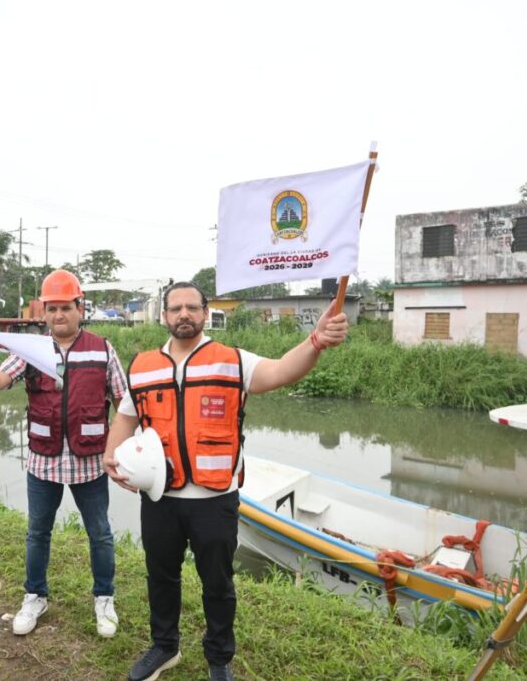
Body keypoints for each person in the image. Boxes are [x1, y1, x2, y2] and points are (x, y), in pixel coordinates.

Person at [103, 281, 349, 681]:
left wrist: (316, 341)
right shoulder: (143, 366)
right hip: (159, 497)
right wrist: (111, 456)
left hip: (214, 500)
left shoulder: (232, 360)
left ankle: (219, 658)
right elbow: (127, 417)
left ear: (204, 313)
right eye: (176, 308)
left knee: (217, 582)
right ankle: (165, 647)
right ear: (164, 316)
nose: (184, 314)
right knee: (161, 576)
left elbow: (282, 371)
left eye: (192, 307)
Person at [0, 269, 125, 638]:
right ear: (45, 312)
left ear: (79, 308)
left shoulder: (102, 349)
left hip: (89, 463)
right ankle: (35, 595)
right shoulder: (32, 350)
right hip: (43, 461)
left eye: (65, 308)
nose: (58, 316)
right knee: (38, 532)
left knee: (99, 533)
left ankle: (104, 598)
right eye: (52, 309)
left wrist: (122, 448)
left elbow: (124, 403)